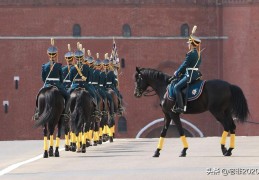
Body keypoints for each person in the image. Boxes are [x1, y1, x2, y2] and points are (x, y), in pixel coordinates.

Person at [33, 38, 70, 120]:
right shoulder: (58, 65)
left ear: (48, 54)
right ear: (56, 55)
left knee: (38, 95)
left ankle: (38, 112)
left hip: (47, 84)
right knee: (67, 96)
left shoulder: (44, 66)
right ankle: (66, 113)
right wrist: (60, 83)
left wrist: (47, 83)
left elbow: (43, 77)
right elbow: (61, 78)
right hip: (57, 84)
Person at [172, 25, 202, 113]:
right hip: (196, 74)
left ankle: (181, 107)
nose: (188, 45)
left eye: (189, 43)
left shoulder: (191, 53)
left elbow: (184, 65)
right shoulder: (198, 54)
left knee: (177, 87)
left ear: (192, 44)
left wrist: (177, 72)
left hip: (190, 75)